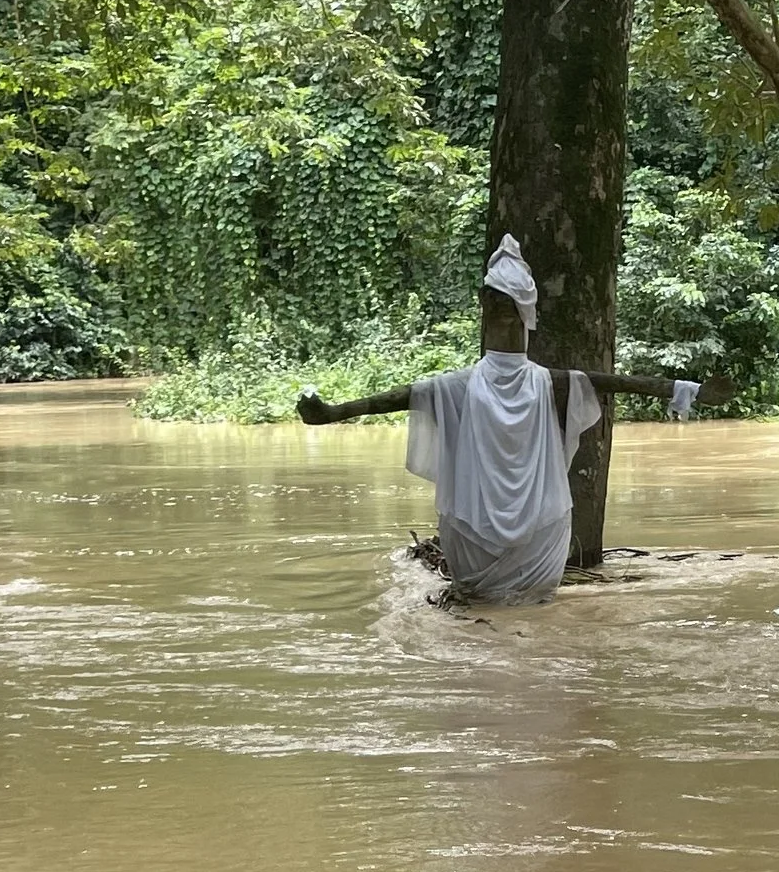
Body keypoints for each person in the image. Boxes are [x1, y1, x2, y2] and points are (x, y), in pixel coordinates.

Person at [297, 236, 710, 602]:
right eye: (494, 300)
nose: (500, 309)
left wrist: (688, 390)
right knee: (497, 612)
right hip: (476, 537)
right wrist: (333, 413)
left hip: (539, 535)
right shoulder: (458, 386)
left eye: (508, 302)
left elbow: (617, 382)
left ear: (524, 310)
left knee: (519, 615)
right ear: (483, 303)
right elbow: (400, 398)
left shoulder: (547, 383)